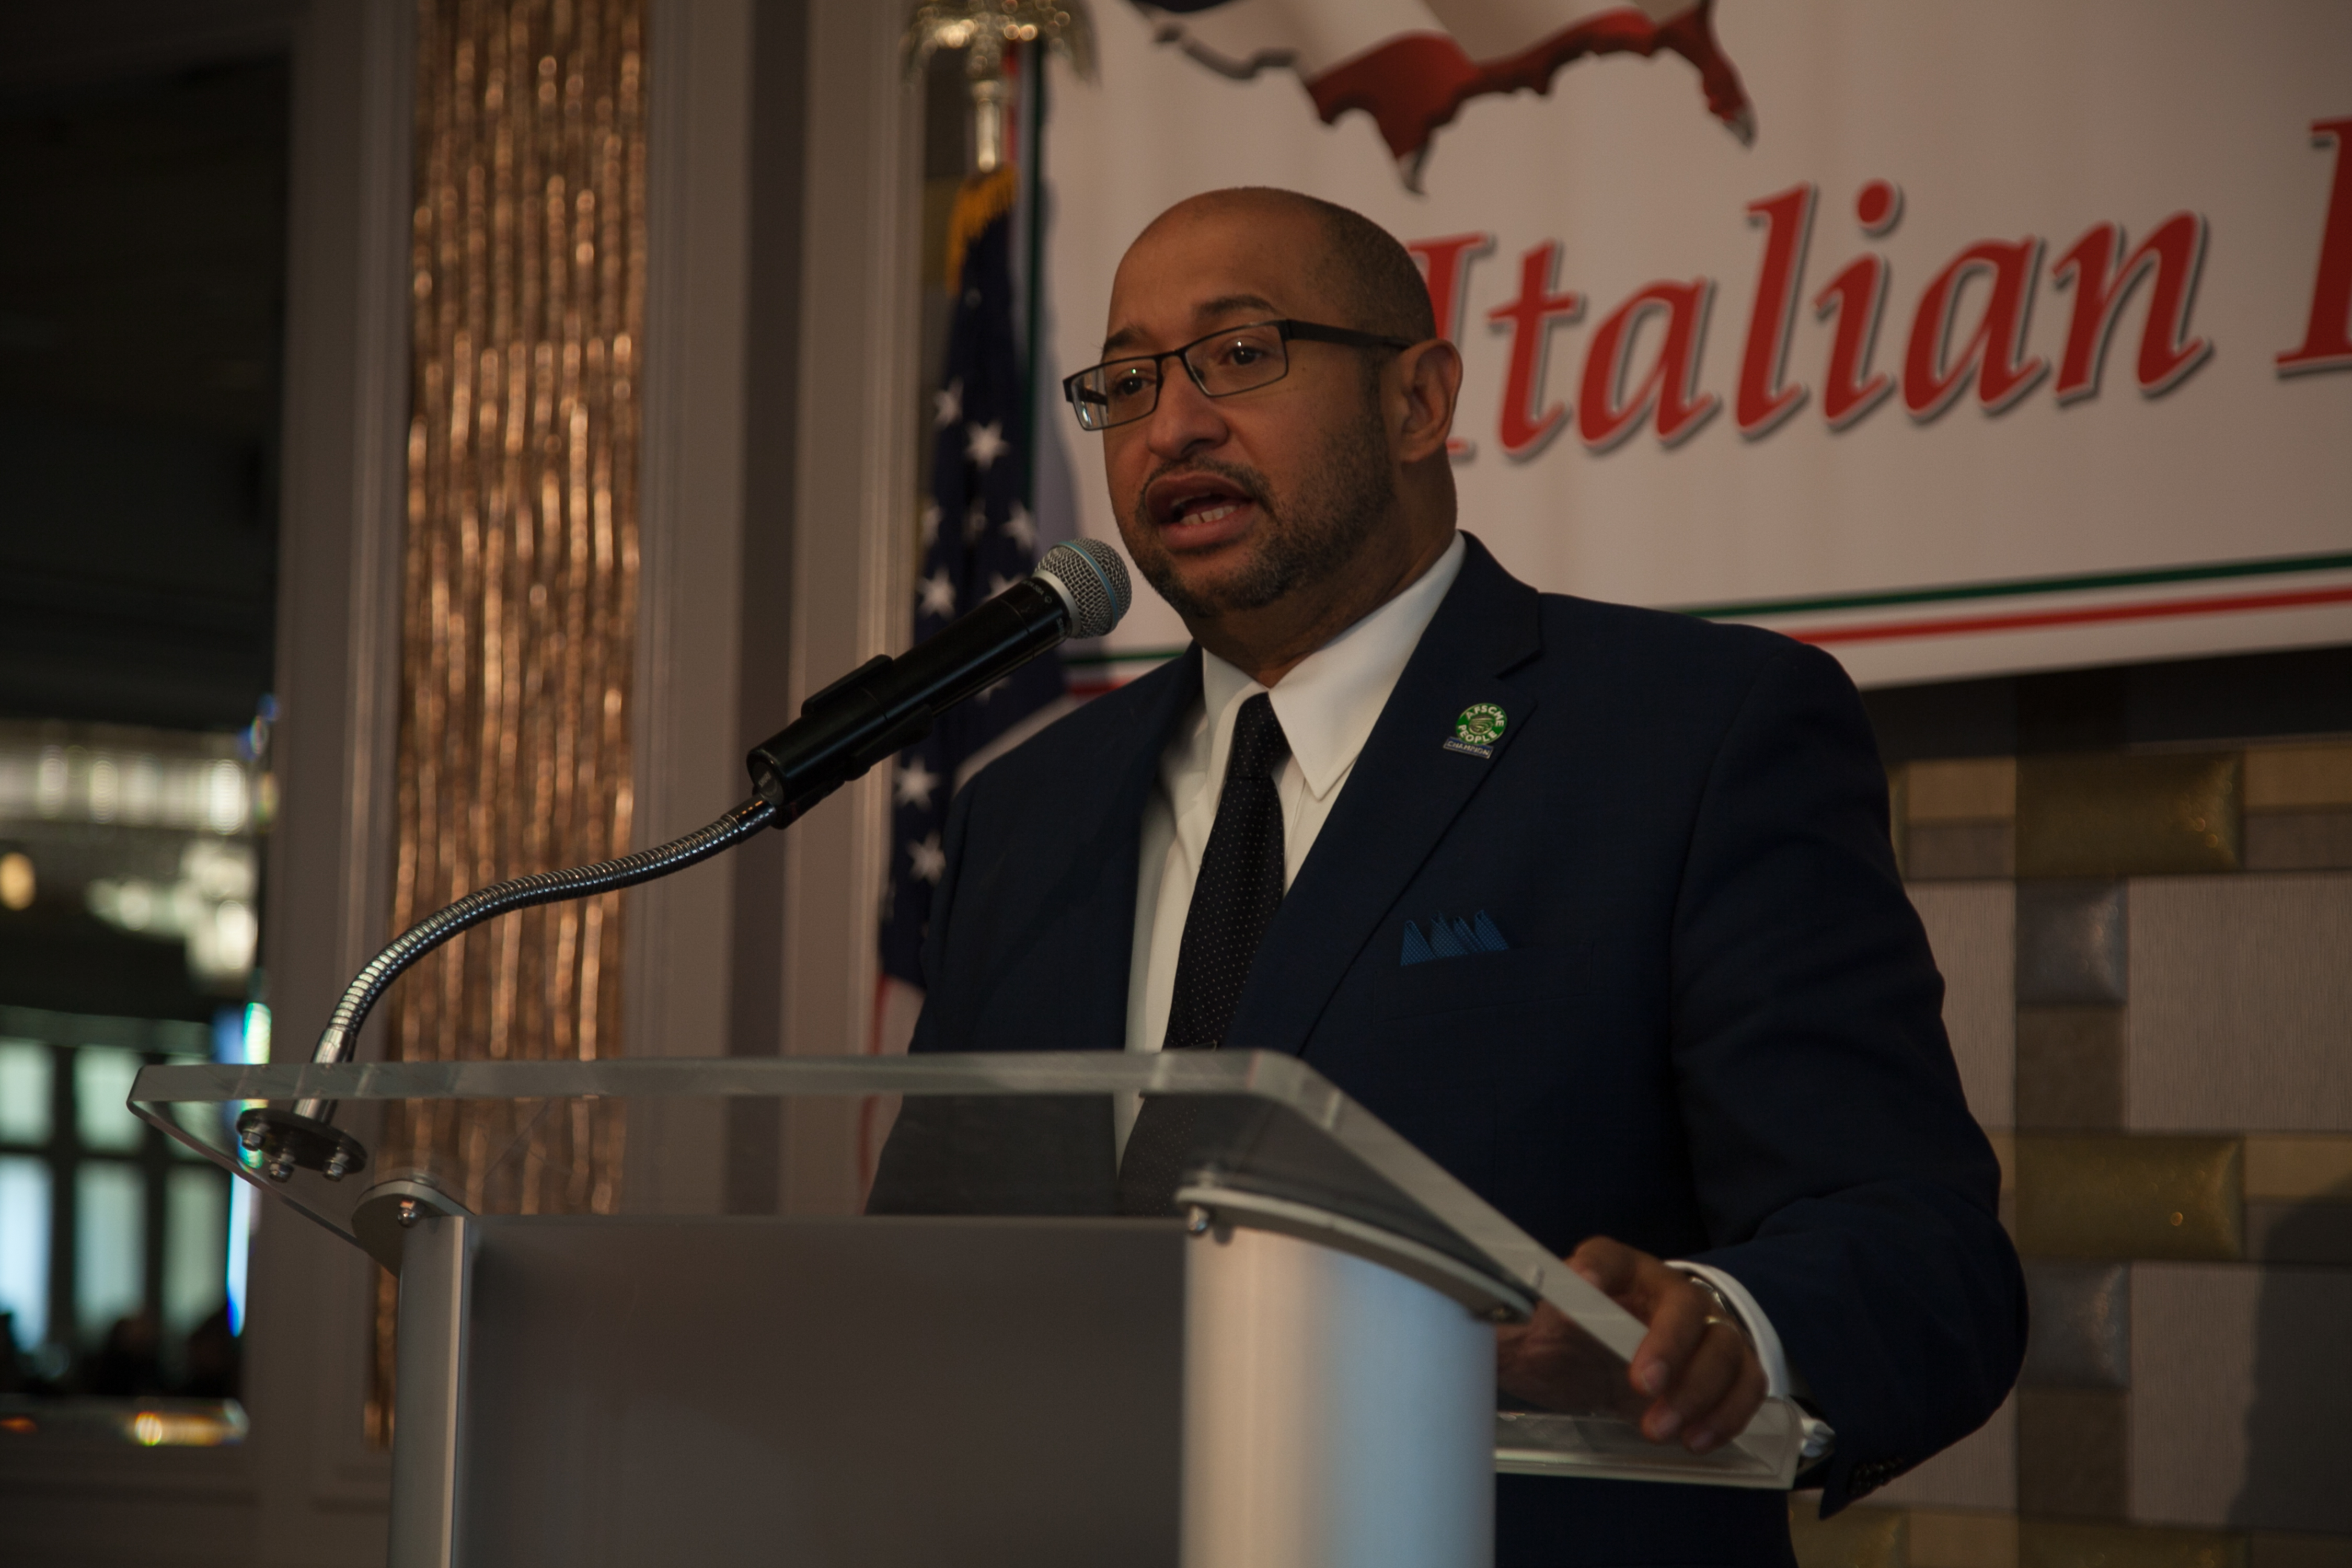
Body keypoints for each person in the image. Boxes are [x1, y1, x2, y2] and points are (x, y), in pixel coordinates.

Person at [884, 187, 2024, 1564]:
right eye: (1124, 382)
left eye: (1238, 355)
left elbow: (1918, 1254)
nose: (1170, 423)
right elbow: (929, 1285)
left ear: (1417, 401)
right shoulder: (1029, 811)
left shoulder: (1689, 734)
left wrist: (1715, 1329)